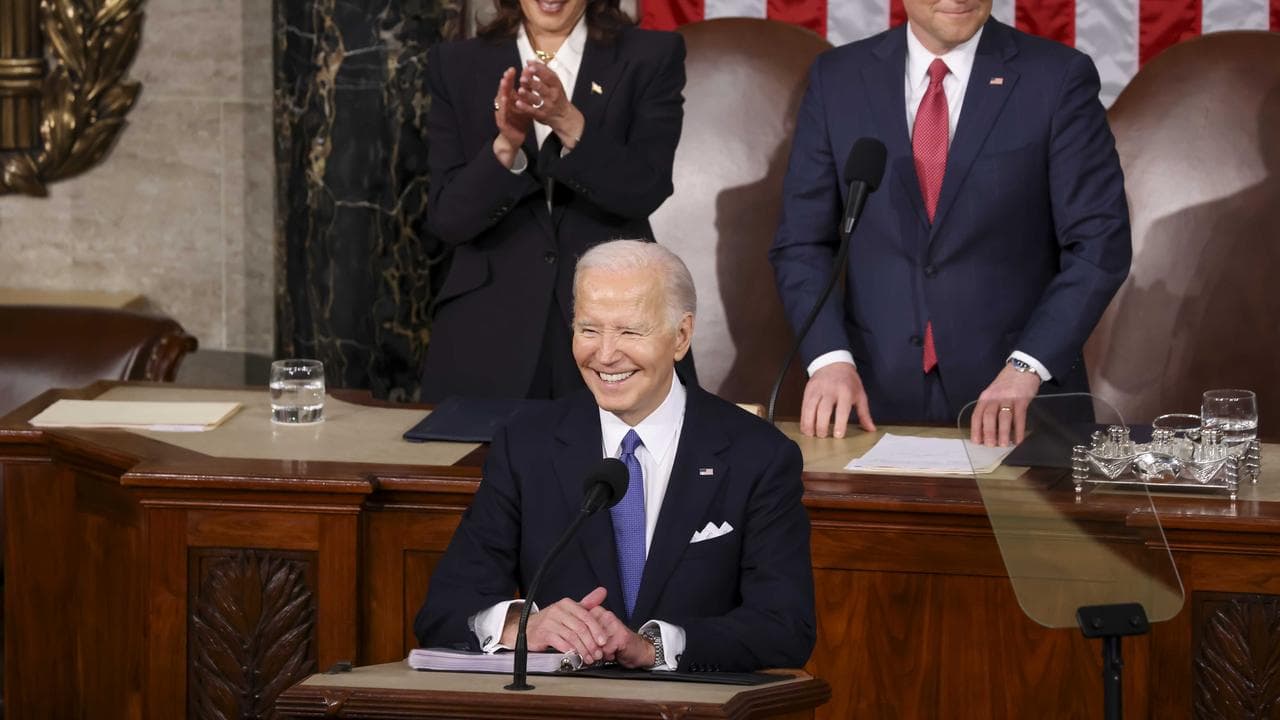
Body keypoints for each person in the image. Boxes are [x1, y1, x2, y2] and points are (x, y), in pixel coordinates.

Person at [415, 240, 815, 673]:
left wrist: (654, 647)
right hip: (564, 701)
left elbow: (785, 627)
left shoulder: (758, 455)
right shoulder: (527, 445)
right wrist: (522, 625)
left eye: (629, 332)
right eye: (589, 330)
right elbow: (444, 610)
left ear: (681, 336)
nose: (605, 355)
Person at [769, 0, 1131, 446]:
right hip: (871, 401)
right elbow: (801, 243)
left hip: (1022, 401)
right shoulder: (837, 78)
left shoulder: (1057, 77)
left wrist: (1027, 366)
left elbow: (1100, 245)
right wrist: (829, 359)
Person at [419, 0, 686, 402]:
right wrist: (506, 147)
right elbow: (448, 218)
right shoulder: (455, 63)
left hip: (612, 328)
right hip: (486, 331)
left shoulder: (651, 56)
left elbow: (644, 189)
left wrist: (567, 121)